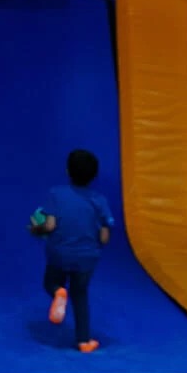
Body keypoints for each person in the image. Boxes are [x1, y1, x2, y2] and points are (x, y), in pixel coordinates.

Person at [29, 148, 115, 353]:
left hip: (60, 252)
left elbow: (49, 226)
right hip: (87, 257)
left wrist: (35, 229)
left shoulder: (56, 194)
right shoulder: (100, 201)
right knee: (80, 294)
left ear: (68, 170)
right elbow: (104, 237)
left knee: (50, 282)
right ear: (94, 175)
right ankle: (84, 341)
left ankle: (58, 292)